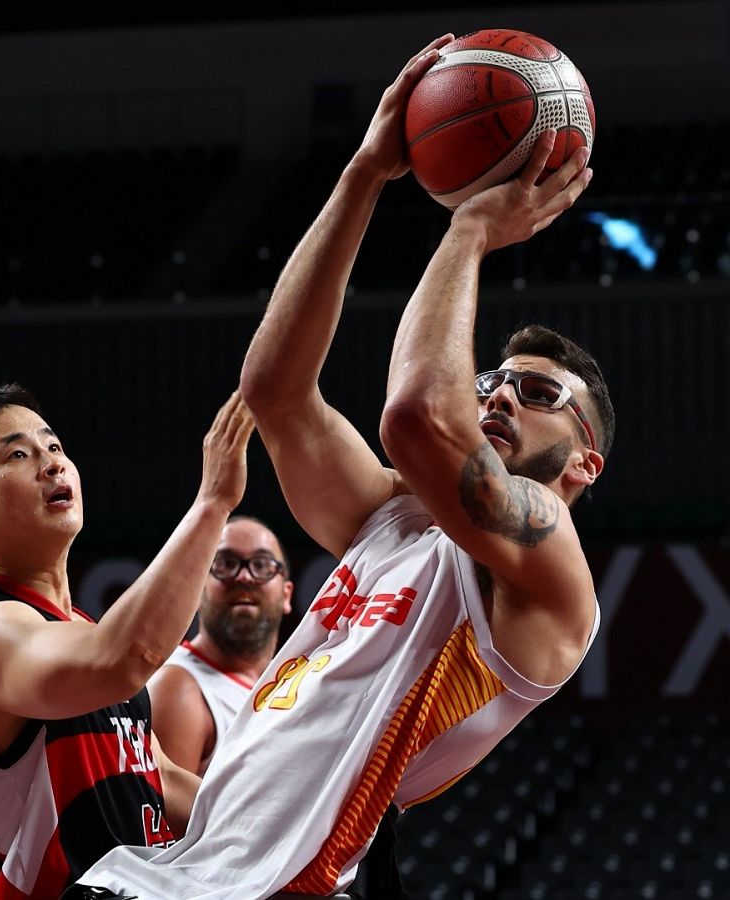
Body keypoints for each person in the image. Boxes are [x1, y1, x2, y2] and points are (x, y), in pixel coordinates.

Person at [75, 34, 608, 898]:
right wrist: (364, 176)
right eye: (493, 381)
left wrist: (468, 234)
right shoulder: (390, 518)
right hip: (169, 874)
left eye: (538, 393)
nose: (501, 396)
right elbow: (276, 392)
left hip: (286, 885)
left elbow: (416, 416)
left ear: (584, 464)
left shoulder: (547, 566)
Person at [0, 385, 255, 899]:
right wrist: (212, 504)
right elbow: (122, 661)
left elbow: (156, 775)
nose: (52, 465)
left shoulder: (82, 630)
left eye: (54, 448)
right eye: (18, 454)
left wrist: (277, 822)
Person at [146, 517, 293, 777]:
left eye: (262, 565)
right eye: (225, 564)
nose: (245, 577)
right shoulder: (179, 688)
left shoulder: (290, 688)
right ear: (198, 590)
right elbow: (164, 816)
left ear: (286, 594)